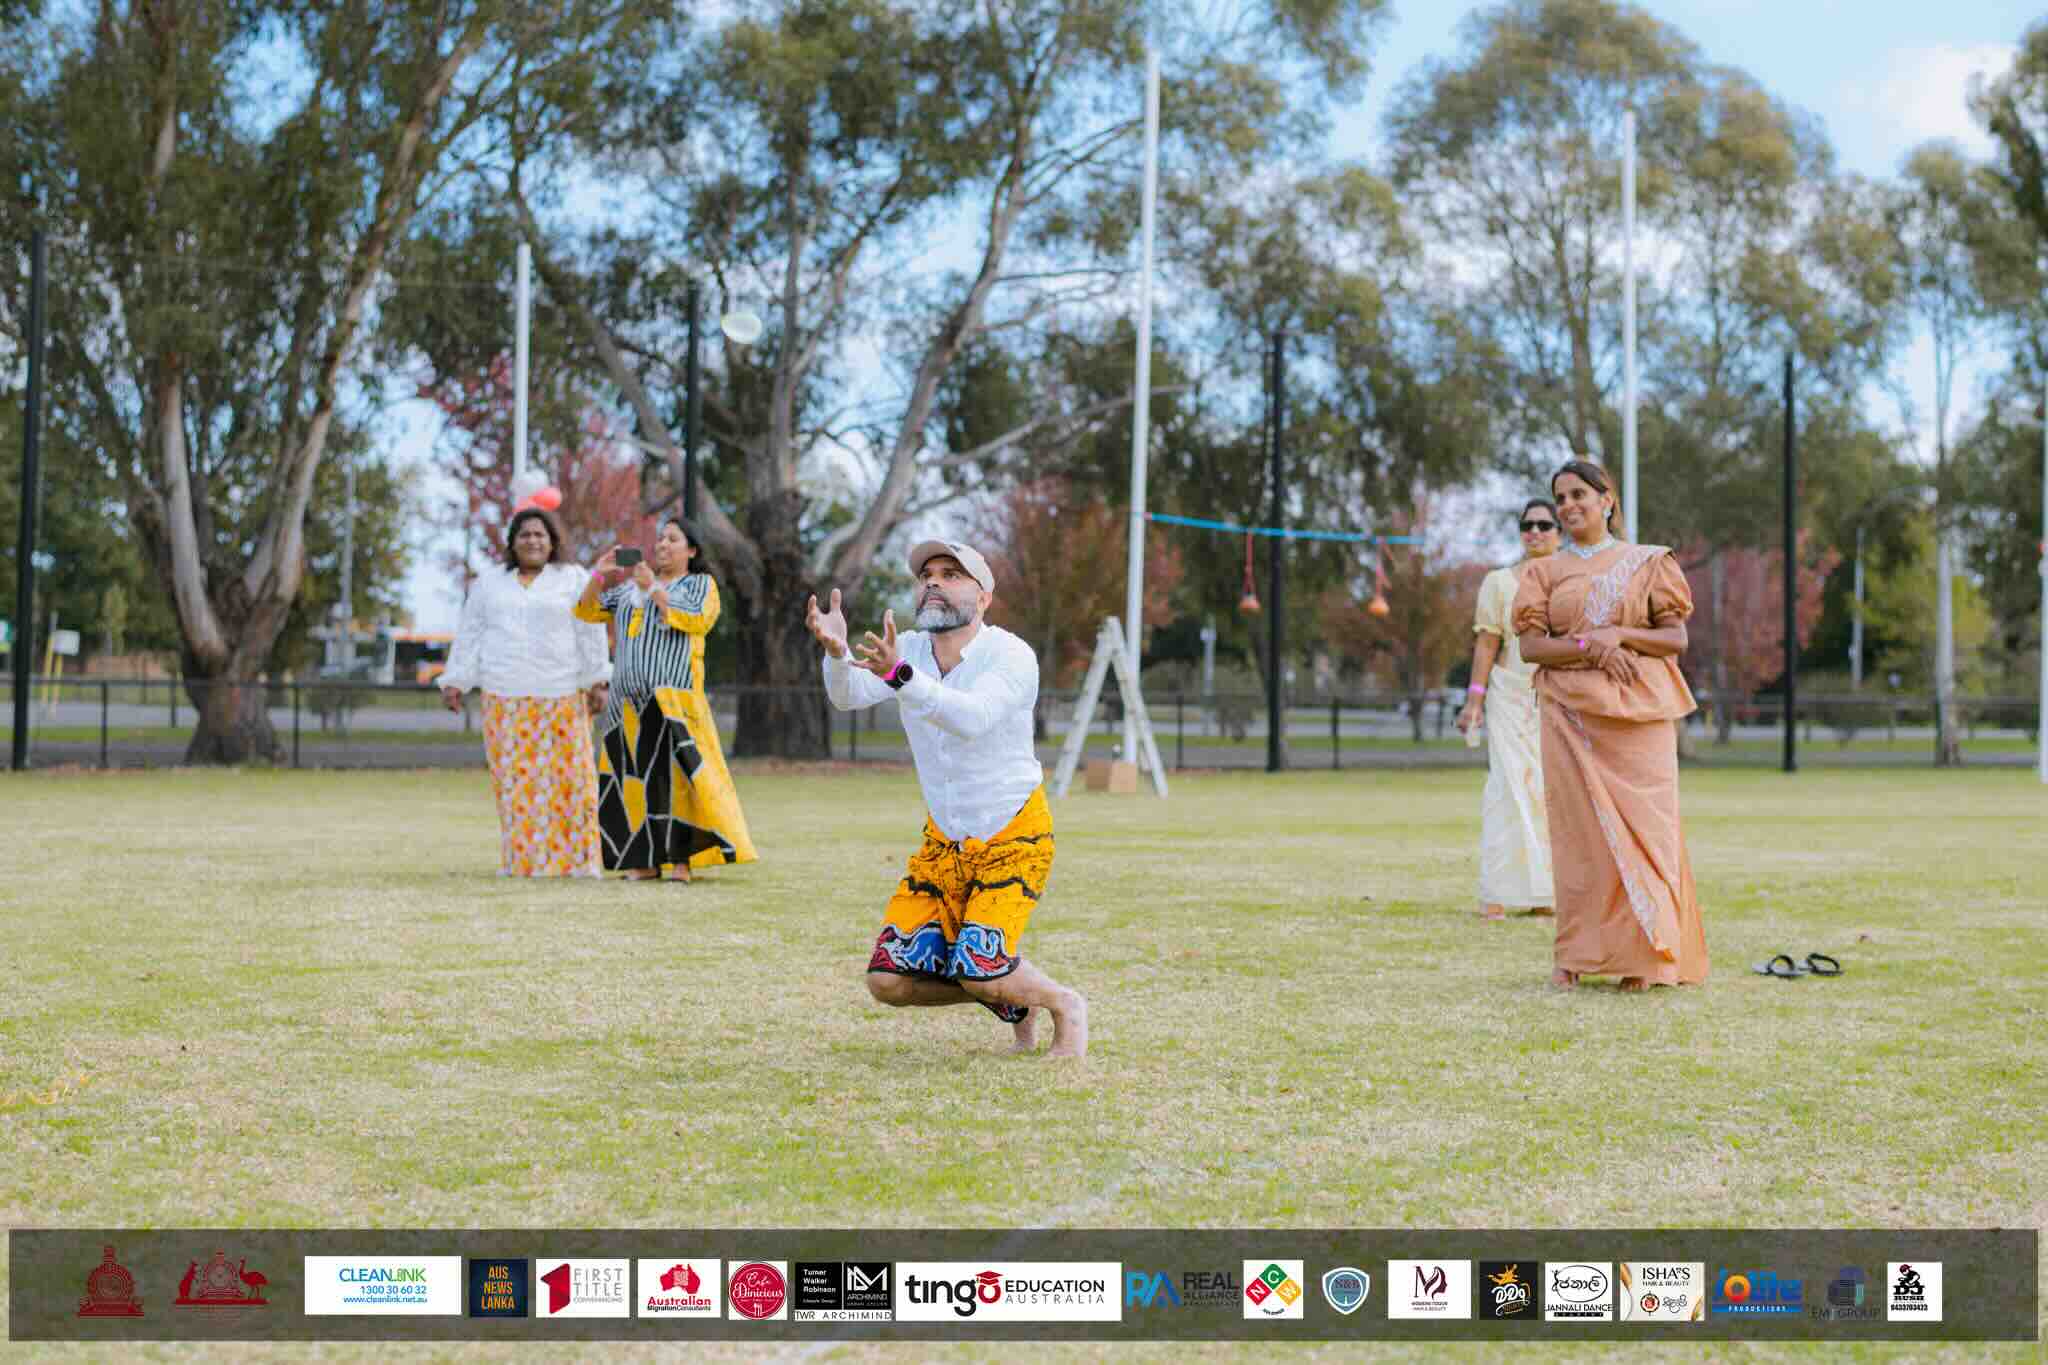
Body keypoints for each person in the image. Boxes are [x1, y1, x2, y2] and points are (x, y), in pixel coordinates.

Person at [803, 539, 1088, 1058]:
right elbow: (848, 696)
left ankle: (1064, 1004)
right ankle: (1009, 997)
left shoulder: (1011, 654)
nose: (933, 581)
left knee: (981, 969)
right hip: (944, 845)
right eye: (927, 574)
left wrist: (900, 677)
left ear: (984, 599)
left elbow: (972, 717)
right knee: (886, 980)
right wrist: (837, 654)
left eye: (952, 574)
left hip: (1013, 836)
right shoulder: (908, 649)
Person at [1512, 459, 1708, 991]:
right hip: (1571, 717)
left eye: (1580, 494)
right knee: (1580, 839)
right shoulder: (1542, 571)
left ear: (1608, 499)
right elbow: (1531, 647)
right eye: (1561, 497)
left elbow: (1675, 640)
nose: (1569, 505)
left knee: (1650, 835)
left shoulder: (1648, 563)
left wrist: (1619, 636)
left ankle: (1644, 959)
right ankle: (1573, 956)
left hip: (1640, 718)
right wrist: (1588, 647)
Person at [576, 518, 757, 882]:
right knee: (634, 781)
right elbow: (586, 611)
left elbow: (697, 620)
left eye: (672, 539)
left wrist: (655, 589)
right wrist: (598, 575)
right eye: (660, 538)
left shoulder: (699, 585)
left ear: (691, 550)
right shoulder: (629, 591)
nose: (662, 545)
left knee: (677, 782)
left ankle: (680, 862)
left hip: (674, 702)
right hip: (627, 705)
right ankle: (643, 861)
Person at [439, 506, 610, 877]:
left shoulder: (573, 578)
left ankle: (580, 864)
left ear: (552, 543)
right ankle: (523, 863)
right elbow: (471, 633)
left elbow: (591, 628)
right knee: (517, 784)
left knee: (574, 783)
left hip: (563, 693)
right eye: (524, 535)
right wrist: (456, 680)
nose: (532, 541)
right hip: (505, 696)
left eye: (540, 535)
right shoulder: (488, 584)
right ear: (512, 543)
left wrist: (598, 680)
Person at [1457, 499, 1561, 920]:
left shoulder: (1571, 580)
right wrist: (1474, 700)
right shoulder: (1499, 583)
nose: (1534, 532)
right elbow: (1488, 644)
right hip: (1508, 694)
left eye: (1544, 524)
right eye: (1527, 525)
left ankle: (1544, 895)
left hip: (1554, 696)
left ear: (1558, 531)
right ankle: (1497, 892)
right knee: (1506, 788)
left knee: (1549, 792)